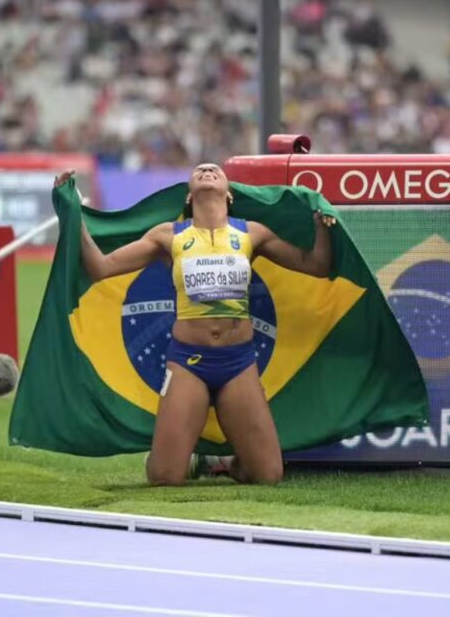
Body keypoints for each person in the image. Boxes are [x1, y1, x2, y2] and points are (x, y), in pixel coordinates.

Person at [53, 163, 336, 485]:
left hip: (238, 362)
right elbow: (101, 268)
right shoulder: (168, 236)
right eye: (200, 169)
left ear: (229, 194)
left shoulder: (251, 233)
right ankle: (181, 456)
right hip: (188, 362)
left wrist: (323, 225)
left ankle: (220, 461)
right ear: (189, 196)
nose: (207, 169)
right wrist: (71, 213)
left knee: (268, 476)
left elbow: (316, 265)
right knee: (165, 478)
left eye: (215, 169)